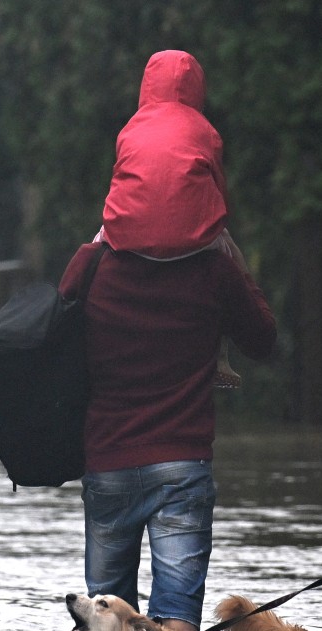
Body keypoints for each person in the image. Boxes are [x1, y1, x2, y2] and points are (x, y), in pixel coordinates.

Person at [60, 50, 277, 631]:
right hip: (183, 462)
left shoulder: (95, 262)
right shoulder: (214, 271)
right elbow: (264, 340)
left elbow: (55, 329)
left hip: (106, 460)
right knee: (177, 627)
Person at [95, 48, 252, 389]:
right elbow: (218, 191)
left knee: (89, 257)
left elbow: (120, 180)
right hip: (193, 241)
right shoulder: (206, 131)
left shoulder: (129, 130)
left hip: (128, 237)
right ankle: (222, 357)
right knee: (235, 261)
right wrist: (218, 228)